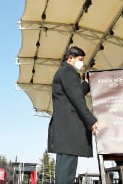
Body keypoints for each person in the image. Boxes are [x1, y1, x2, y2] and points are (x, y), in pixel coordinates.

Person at [48, 46, 98, 184]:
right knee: (66, 171)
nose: (81, 63)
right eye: (80, 60)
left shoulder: (64, 72)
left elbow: (74, 94)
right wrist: (91, 120)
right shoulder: (68, 72)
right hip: (68, 130)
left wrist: (86, 84)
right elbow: (77, 99)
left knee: (66, 169)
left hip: (65, 131)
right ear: (70, 58)